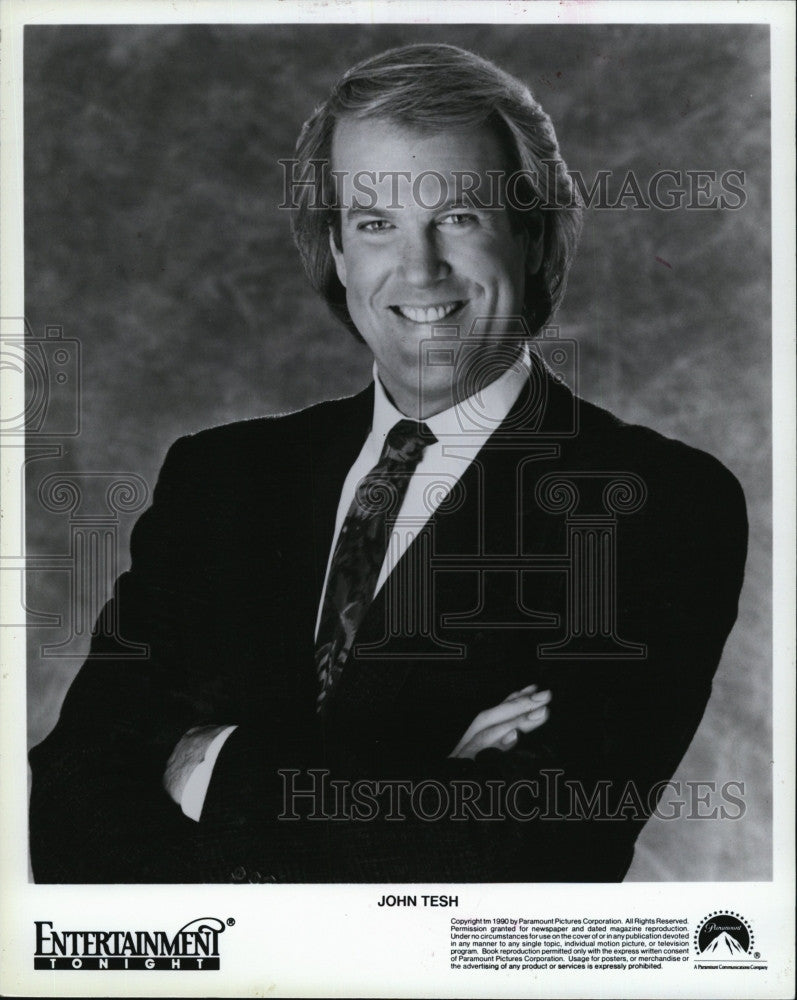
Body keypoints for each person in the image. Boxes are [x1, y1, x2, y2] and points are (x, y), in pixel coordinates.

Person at [28, 43, 747, 883]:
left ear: (533, 233)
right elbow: (70, 798)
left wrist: (201, 764)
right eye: (376, 223)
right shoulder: (220, 478)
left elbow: (527, 848)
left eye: (459, 217)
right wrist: (423, 772)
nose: (419, 269)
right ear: (336, 251)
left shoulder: (658, 503)